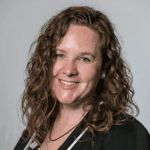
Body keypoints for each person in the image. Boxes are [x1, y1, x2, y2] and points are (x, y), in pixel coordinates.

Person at [14, 6, 150, 150]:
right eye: (60, 55)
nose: (68, 70)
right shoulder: (37, 128)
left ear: (104, 68)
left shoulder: (126, 136)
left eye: (84, 59)